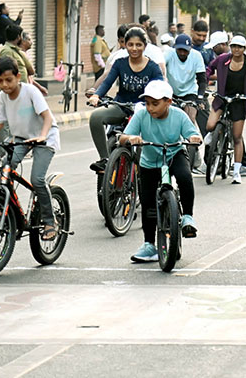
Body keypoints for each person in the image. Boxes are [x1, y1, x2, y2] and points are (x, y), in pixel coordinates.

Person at [0, 57, 61, 240]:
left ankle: (49, 221)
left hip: (45, 137)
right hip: (22, 138)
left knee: (37, 180)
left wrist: (43, 136)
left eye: (8, 80)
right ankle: (7, 206)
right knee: (7, 166)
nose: (4, 85)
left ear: (18, 76)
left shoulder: (30, 92)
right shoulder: (2, 97)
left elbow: (46, 117)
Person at [118, 80, 202, 263]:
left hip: (174, 154)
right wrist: (132, 138)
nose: (150, 108)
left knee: (185, 177)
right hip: (149, 162)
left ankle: (188, 217)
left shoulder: (179, 115)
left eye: (155, 103)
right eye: (147, 103)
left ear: (168, 102)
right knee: (148, 204)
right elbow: (123, 137)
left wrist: (193, 138)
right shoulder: (141, 116)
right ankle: (149, 245)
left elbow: (192, 134)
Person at [86, 27, 164, 172]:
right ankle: (105, 159)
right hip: (121, 106)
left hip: (144, 110)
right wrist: (96, 95)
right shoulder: (120, 63)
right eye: (130, 45)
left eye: (138, 45)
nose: (134, 48)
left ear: (145, 46)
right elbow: (107, 82)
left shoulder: (153, 67)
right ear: (125, 45)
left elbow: (161, 87)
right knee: (95, 117)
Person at [207, 35, 246, 183]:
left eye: (239, 47)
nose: (236, 49)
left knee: (237, 137)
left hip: (240, 102)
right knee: (210, 125)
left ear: (244, 49)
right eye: (233, 46)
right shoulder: (222, 59)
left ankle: (237, 172)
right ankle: (214, 137)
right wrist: (206, 78)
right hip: (222, 98)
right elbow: (209, 68)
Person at [164, 33, 207, 169]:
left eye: (185, 50)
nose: (182, 53)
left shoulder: (196, 56)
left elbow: (202, 80)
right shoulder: (169, 54)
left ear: (190, 49)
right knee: (167, 121)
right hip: (171, 92)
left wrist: (200, 98)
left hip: (190, 93)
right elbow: (160, 69)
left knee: (189, 120)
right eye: (179, 50)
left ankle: (192, 150)